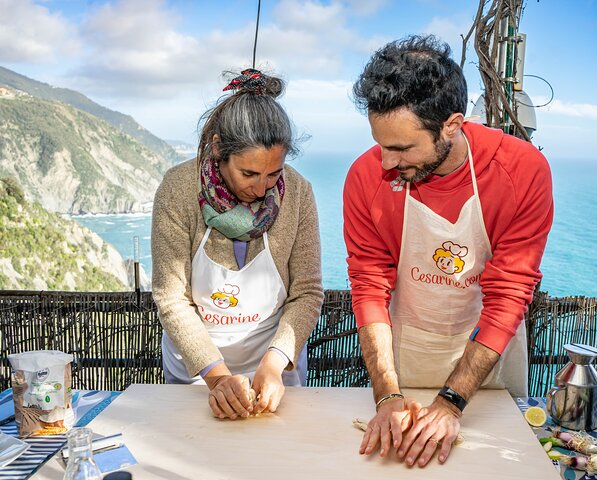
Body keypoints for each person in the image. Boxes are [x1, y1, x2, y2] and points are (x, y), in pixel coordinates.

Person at [343, 36, 553, 467]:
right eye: (381, 144)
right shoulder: (365, 176)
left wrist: (452, 403)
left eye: (401, 148)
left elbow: (509, 294)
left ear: (452, 125)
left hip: (490, 361)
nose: (385, 162)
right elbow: (368, 283)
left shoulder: (522, 171)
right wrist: (387, 393)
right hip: (407, 359)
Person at [152, 68, 323, 420]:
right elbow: (171, 297)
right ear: (218, 149)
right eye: (249, 174)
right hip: (198, 369)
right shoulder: (178, 189)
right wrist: (217, 377)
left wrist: (274, 365)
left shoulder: (299, 192)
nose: (262, 189)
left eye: (273, 174)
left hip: (273, 362)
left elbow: (307, 292)